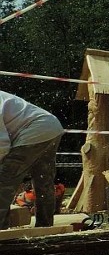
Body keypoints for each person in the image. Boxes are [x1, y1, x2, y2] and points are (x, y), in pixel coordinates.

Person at [0, 91, 64, 230]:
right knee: (43, 181)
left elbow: (2, 144)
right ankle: (45, 228)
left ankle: (2, 231)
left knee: (4, 181)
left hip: (35, 129)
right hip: (51, 126)